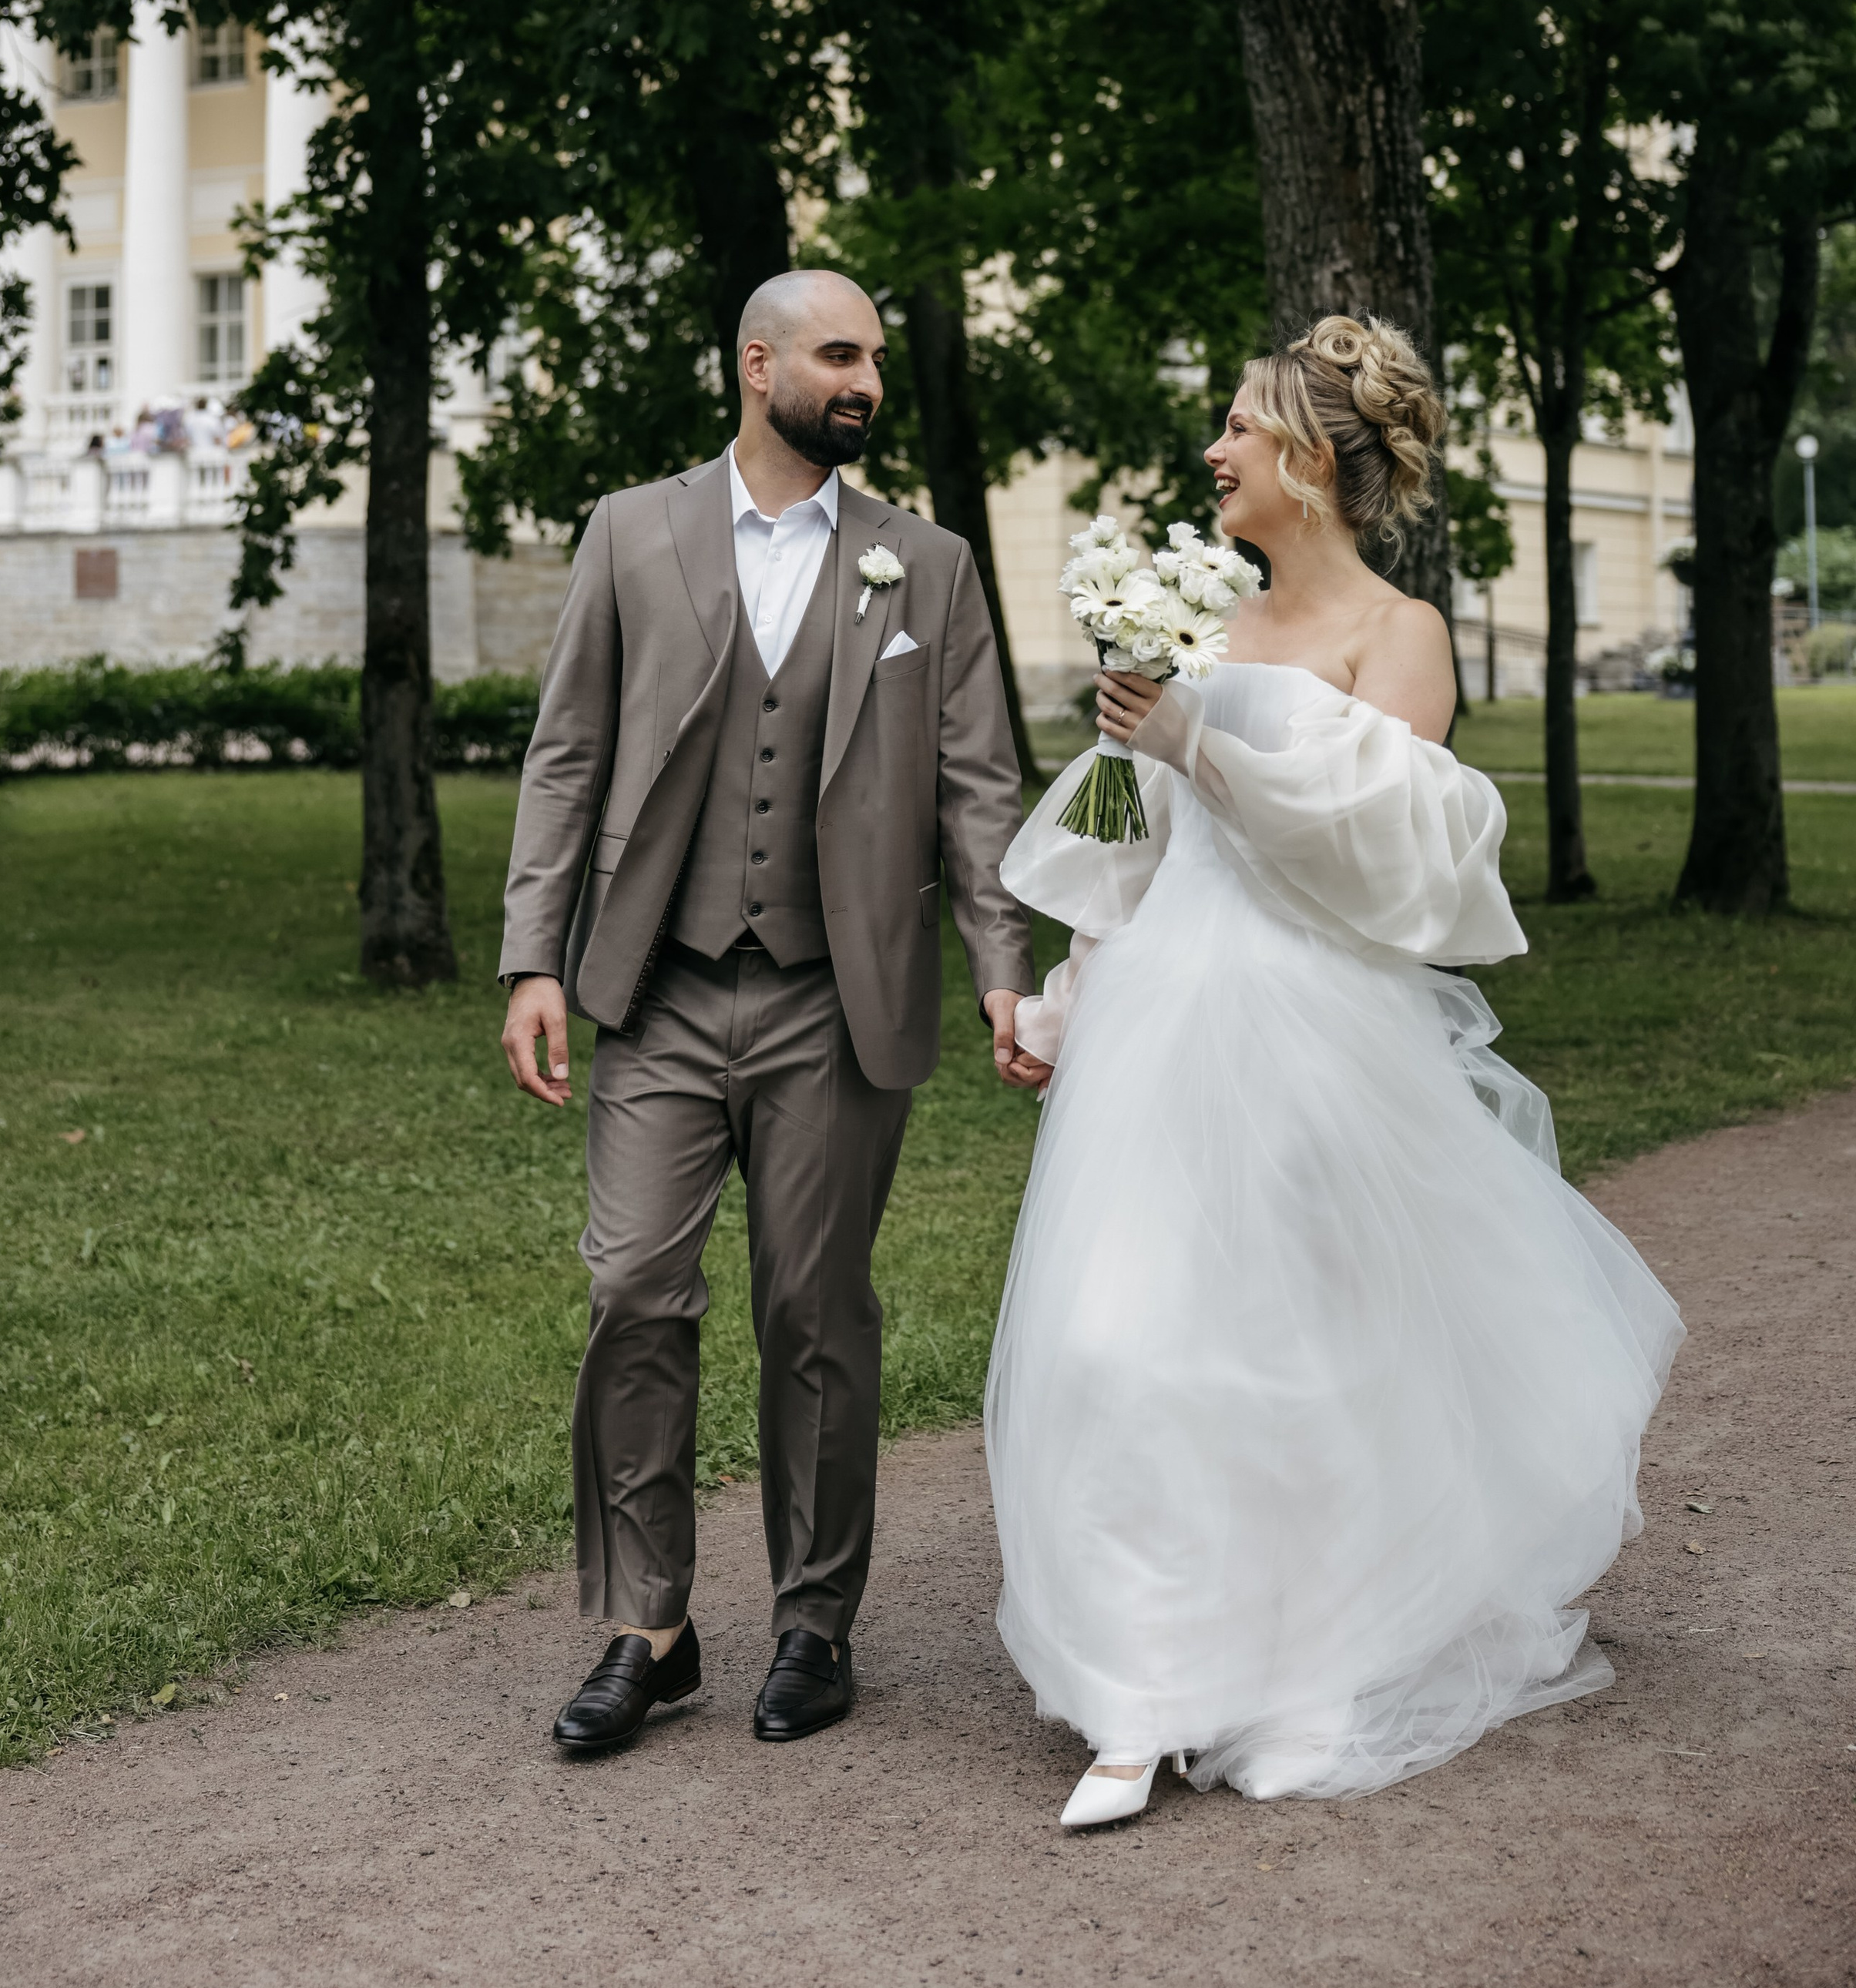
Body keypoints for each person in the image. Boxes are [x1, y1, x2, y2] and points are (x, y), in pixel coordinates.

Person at [987, 314, 1683, 1829]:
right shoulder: (1199, 625)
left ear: (1305, 461)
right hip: (1162, 1024)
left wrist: (1198, 741)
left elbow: (1382, 860)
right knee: (1115, 1340)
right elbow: (1137, 853)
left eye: (1236, 430)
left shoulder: (1401, 635)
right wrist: (1055, 1005)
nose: (1211, 454)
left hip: (1311, 1032)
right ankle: (1140, 1688)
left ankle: (1301, 1670)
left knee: (1288, 1352)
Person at [499, 270, 1032, 1757]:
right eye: (839, 355)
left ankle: (815, 1621)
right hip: (657, 986)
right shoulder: (633, 530)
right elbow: (567, 755)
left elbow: (978, 784)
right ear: (757, 363)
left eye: (873, 358)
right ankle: (648, 1629)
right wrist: (533, 957)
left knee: (815, 1314)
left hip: (832, 996)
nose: (864, 380)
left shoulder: (925, 564)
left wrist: (1004, 963)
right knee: (632, 1296)